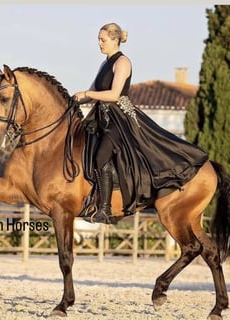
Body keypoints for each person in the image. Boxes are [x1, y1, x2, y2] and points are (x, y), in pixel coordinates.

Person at [74, 23, 208, 224]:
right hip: (101, 116)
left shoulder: (123, 63)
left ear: (115, 39)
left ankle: (106, 209)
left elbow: (114, 94)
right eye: (99, 40)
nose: (99, 44)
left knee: (101, 156)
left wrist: (87, 94)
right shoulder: (105, 64)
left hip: (119, 119)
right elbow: (93, 91)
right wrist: (74, 100)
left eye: (103, 40)